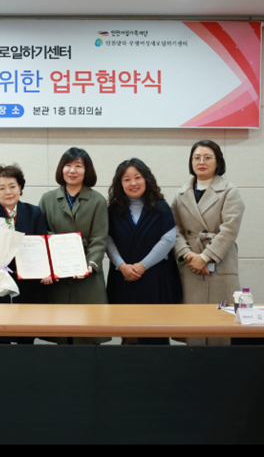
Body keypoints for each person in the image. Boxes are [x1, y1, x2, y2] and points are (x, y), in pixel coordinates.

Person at [171, 140, 245, 346]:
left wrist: (205, 257)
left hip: (220, 264)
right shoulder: (180, 195)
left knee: (221, 327)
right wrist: (188, 255)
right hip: (190, 267)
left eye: (207, 157)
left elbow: (229, 229)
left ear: (218, 161)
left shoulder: (230, 191)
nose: (201, 162)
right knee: (194, 327)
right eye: (197, 158)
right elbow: (173, 230)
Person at [106, 158, 182, 345]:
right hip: (124, 277)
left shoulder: (160, 206)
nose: (133, 183)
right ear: (120, 183)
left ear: (146, 179)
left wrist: (142, 266)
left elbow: (168, 239)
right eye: (126, 179)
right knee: (128, 332)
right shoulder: (113, 210)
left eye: (137, 177)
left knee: (156, 333)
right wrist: (121, 265)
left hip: (155, 277)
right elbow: (107, 239)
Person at [38, 147, 109, 345]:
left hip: (87, 277)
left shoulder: (98, 200)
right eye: (68, 165)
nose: (72, 170)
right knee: (61, 335)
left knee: (87, 335)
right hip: (57, 277)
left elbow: (99, 237)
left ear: (87, 171)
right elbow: (40, 235)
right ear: (61, 169)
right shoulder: (47, 199)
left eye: (78, 166)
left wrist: (90, 264)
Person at [0, 164, 51, 344]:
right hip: (0, 283)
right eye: (1, 188)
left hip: (29, 283)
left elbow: (42, 245)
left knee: (26, 338)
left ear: (20, 187)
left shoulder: (34, 212)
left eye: (12, 186)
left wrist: (45, 270)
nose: (8, 192)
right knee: (0, 337)